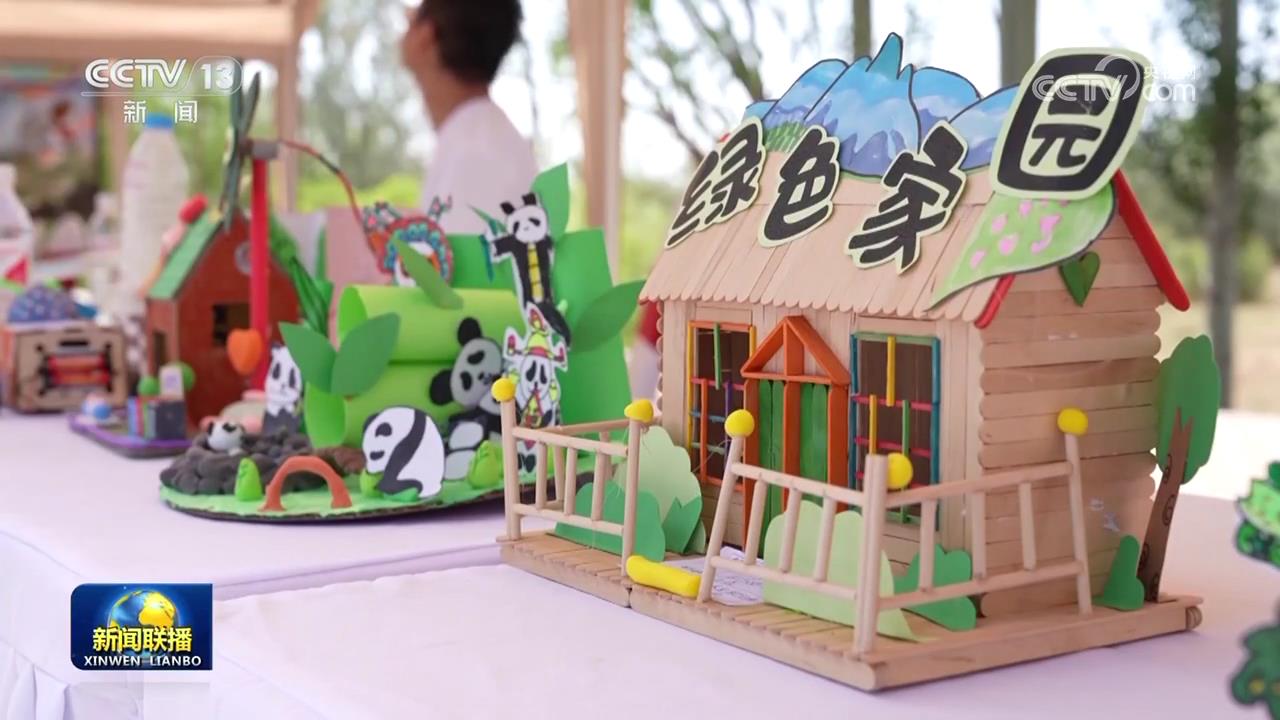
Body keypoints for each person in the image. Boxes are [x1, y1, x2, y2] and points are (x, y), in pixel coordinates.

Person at [401, 0, 537, 234]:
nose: (407, 14)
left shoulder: (475, 158)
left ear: (426, 37)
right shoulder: (481, 141)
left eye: (415, 13)